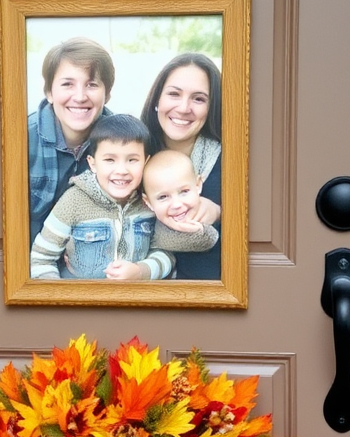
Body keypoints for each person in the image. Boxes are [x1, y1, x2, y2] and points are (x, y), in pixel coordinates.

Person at [30, 115, 217, 281]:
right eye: (110, 160)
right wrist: (60, 301)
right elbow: (41, 257)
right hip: (81, 308)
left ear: (145, 162)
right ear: (92, 164)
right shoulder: (74, 202)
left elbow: (165, 254)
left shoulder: (149, 205)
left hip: (133, 308)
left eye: (132, 160)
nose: (121, 170)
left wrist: (140, 271)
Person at [140, 52, 222, 280]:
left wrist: (220, 213)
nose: (184, 108)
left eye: (198, 99)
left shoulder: (229, 162)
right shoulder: (133, 155)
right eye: (174, 94)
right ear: (157, 99)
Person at [27, 37, 114, 246]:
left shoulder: (120, 141)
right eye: (68, 84)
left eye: (92, 84)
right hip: (28, 263)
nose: (80, 96)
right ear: (49, 92)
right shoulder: (21, 139)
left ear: (107, 94)